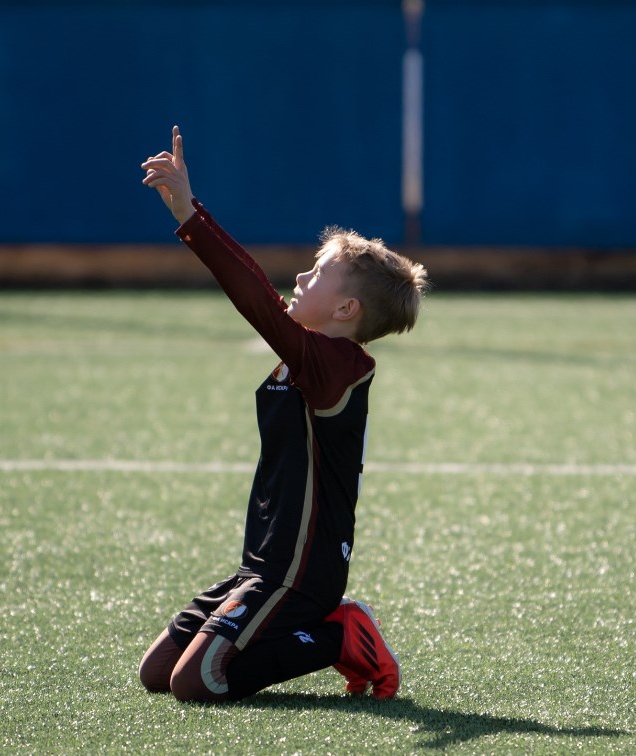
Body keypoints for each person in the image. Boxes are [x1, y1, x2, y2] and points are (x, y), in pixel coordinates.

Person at [136, 126, 428, 701]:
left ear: (347, 309)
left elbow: (258, 304)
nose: (298, 278)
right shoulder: (304, 357)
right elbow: (269, 308)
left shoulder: (339, 363)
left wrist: (189, 213)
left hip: (300, 576)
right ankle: (310, 631)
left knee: (199, 682)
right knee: (156, 673)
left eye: (316, 273)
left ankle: (338, 635)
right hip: (261, 568)